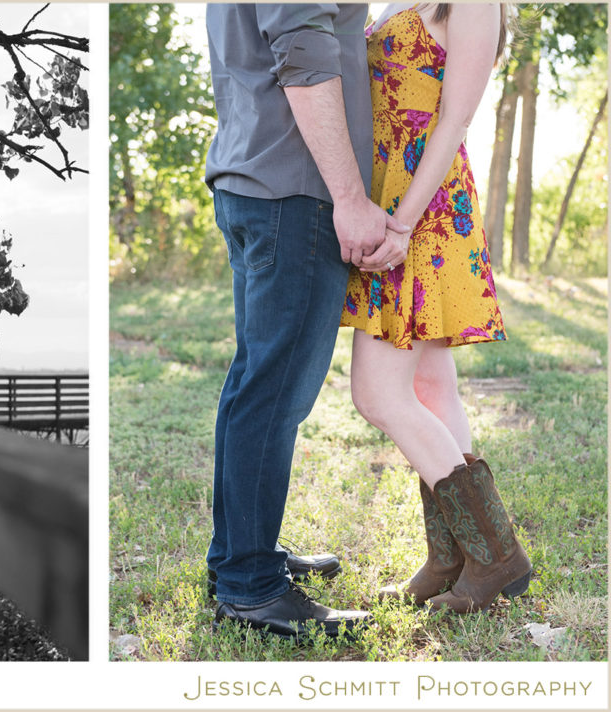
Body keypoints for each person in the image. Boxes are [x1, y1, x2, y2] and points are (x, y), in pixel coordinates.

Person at [204, 3, 409, 638]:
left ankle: (240, 558)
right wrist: (349, 198)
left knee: (254, 383)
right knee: (272, 394)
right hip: (293, 191)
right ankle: (251, 589)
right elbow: (302, 50)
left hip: (255, 178)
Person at [341, 3, 530, 614]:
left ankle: (495, 553)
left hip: (422, 206)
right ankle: (453, 555)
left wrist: (401, 222)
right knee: (429, 387)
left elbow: (455, 121)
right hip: (390, 194)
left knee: (377, 394)